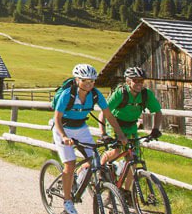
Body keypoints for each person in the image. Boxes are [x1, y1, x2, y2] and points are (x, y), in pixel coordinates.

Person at [52, 63, 125, 214]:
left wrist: (120, 135)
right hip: (63, 128)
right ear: (77, 80)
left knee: (94, 160)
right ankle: (67, 202)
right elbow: (57, 119)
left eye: (92, 81)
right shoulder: (68, 94)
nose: (89, 84)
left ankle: (77, 181)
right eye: (85, 80)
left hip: (81, 128)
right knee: (70, 164)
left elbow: (109, 116)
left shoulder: (95, 94)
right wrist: (64, 137)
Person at [101, 66, 163, 201]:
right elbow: (104, 111)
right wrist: (103, 133)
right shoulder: (120, 93)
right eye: (136, 80)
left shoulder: (146, 95)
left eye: (141, 81)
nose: (139, 83)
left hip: (131, 127)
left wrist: (155, 129)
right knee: (115, 152)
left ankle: (126, 191)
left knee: (133, 161)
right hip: (115, 124)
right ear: (128, 81)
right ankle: (101, 169)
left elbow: (158, 112)